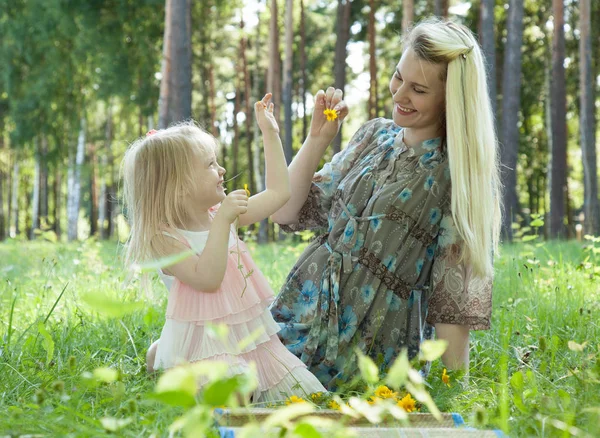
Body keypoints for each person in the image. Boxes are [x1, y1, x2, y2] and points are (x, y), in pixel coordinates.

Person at [270, 19, 502, 389]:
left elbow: (453, 305)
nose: (399, 95)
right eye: (399, 78)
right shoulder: (374, 135)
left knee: (229, 378)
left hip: (362, 347)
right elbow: (285, 211)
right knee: (175, 352)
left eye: (419, 90)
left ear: (451, 100)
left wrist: (451, 390)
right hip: (300, 311)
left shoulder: (456, 180)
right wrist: (316, 139)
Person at [122, 94, 326, 402]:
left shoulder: (221, 216)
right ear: (179, 186)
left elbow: (278, 193)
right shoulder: (164, 238)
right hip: (204, 345)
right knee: (236, 395)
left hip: (248, 340)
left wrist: (270, 134)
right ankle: (166, 356)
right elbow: (207, 278)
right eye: (210, 165)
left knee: (306, 394)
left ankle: (162, 353)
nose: (221, 170)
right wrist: (224, 222)